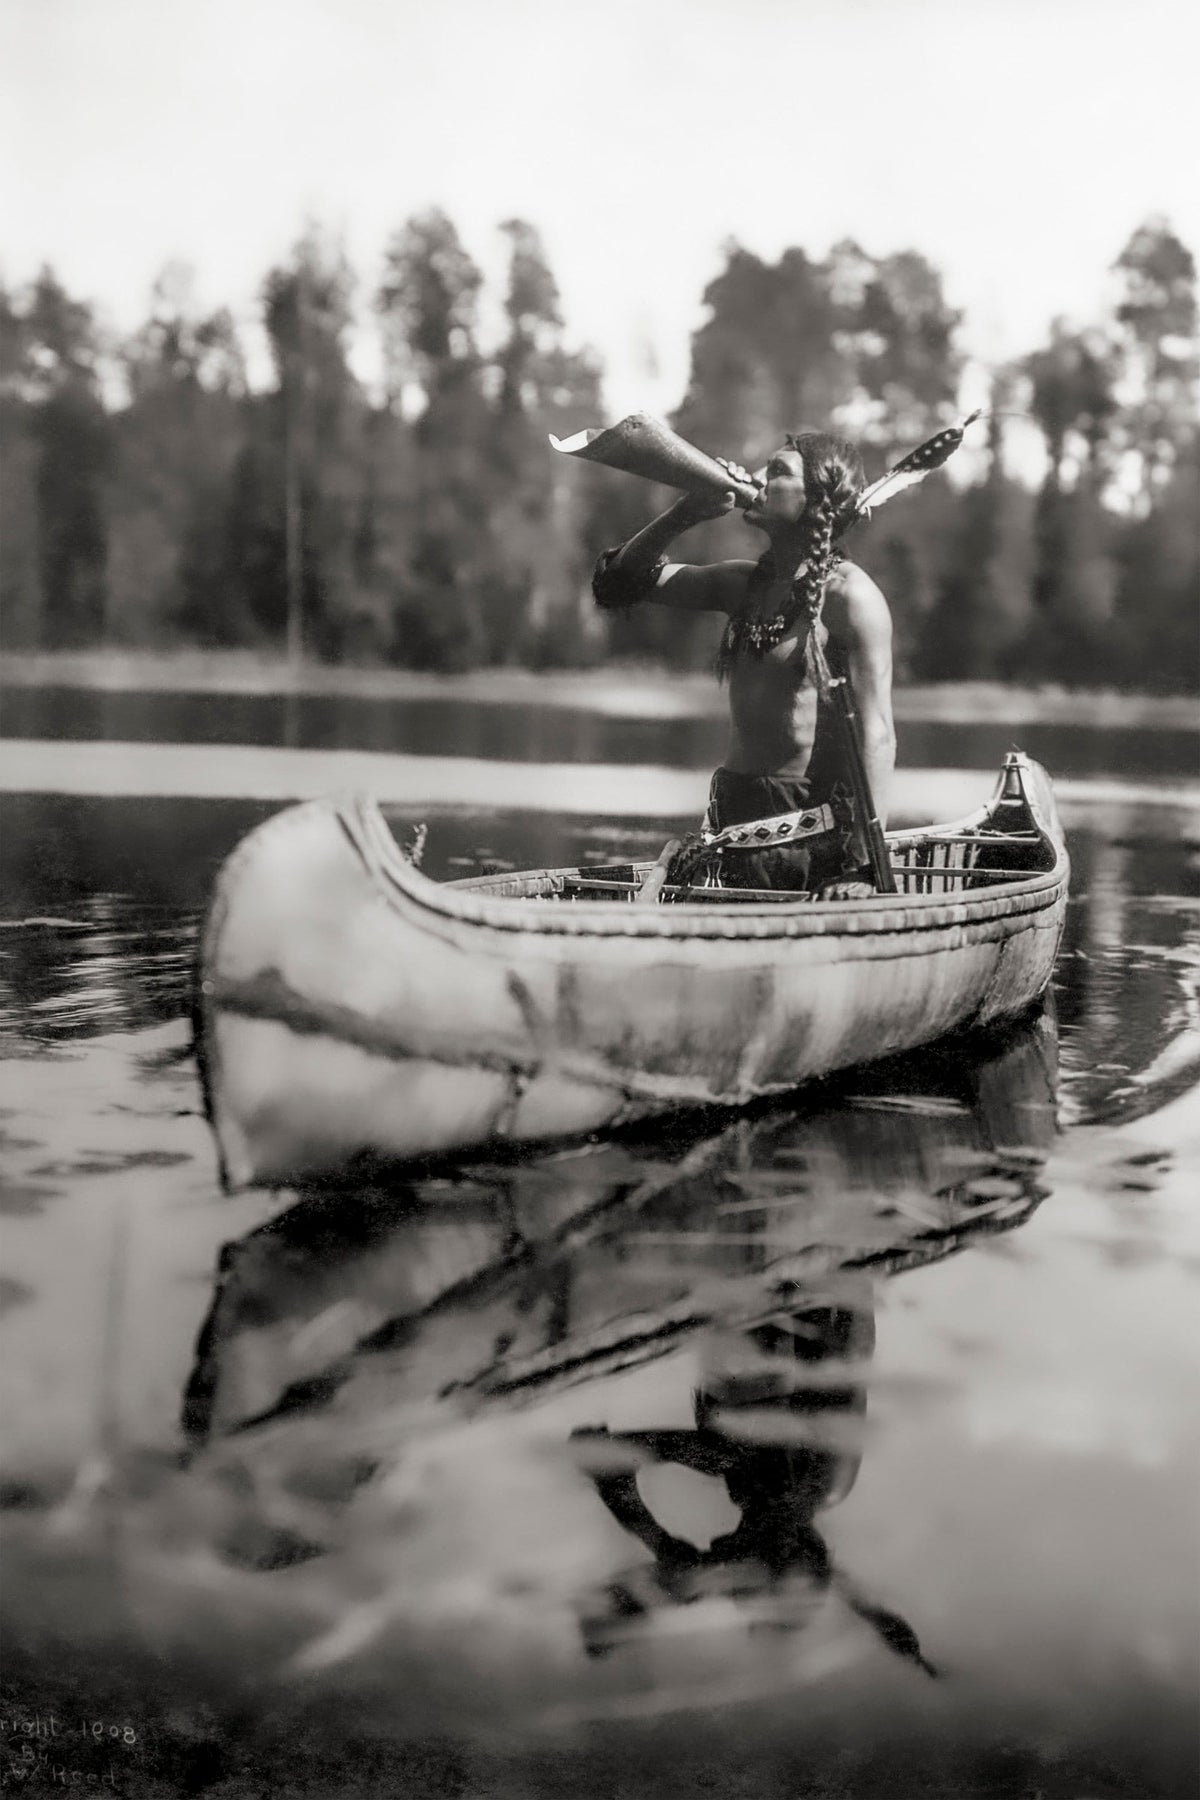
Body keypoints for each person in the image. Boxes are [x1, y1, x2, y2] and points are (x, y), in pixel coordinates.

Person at [592, 432, 895, 897]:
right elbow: (618, 584)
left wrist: (860, 868)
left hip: (810, 847)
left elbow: (878, 735)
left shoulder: (850, 598)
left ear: (818, 502)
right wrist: (686, 512)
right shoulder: (742, 585)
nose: (757, 479)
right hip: (730, 826)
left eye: (777, 472)